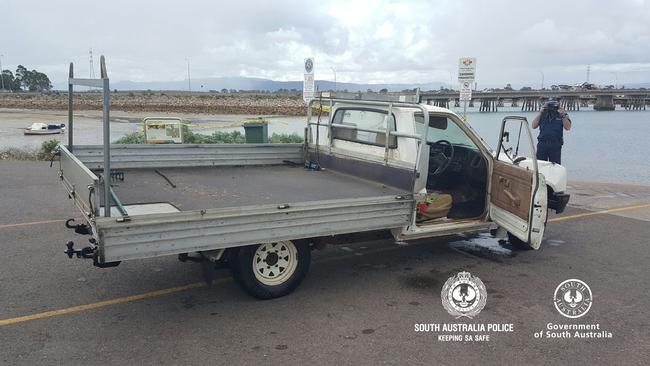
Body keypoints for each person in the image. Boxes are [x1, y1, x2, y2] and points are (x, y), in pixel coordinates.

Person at [532, 99, 571, 164]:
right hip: (542, 143)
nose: (551, 109)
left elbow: (568, 127)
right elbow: (533, 126)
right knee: (540, 164)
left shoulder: (562, 115)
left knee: (555, 166)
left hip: (555, 144)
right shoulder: (543, 114)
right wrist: (540, 113)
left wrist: (563, 115)